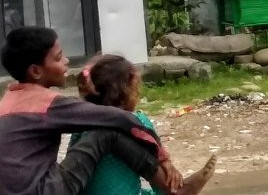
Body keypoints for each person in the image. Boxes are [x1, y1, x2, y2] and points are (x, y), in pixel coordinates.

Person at [0, 27, 215, 195]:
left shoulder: (8, 100)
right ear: (36, 71)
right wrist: (164, 159)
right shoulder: (47, 103)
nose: (66, 61)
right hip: (44, 191)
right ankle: (175, 190)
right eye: (58, 58)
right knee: (108, 131)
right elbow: (121, 119)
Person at [71, 54, 217, 195]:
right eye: (135, 90)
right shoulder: (137, 120)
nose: (138, 93)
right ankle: (174, 190)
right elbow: (153, 149)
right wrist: (167, 162)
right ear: (122, 94)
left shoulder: (82, 126)